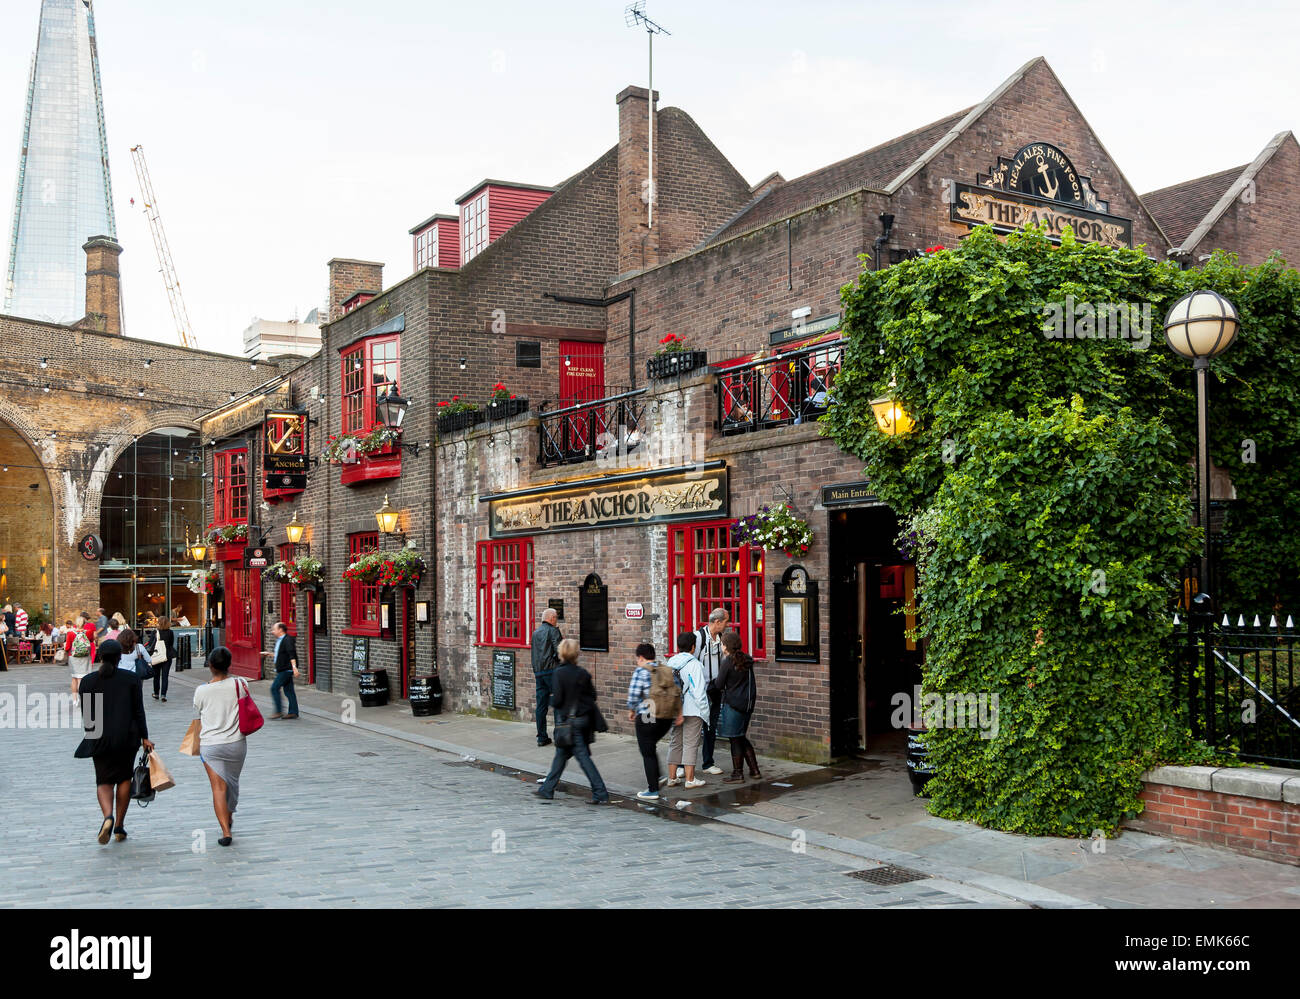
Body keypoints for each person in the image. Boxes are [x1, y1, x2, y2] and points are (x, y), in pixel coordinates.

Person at [74, 639, 153, 844]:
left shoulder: (88, 681)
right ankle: (119, 825)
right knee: (124, 778)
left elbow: (88, 716)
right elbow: (138, 711)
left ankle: (107, 816)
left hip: (99, 736)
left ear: (100, 657)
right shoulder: (131, 679)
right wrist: (144, 736)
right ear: (120, 657)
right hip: (127, 737)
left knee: (103, 780)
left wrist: (94, 736)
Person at [535, 639, 609, 804]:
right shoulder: (582, 673)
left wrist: (551, 700)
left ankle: (600, 792)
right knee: (561, 755)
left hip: (569, 723)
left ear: (561, 653)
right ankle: (547, 789)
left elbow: (559, 699)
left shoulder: (559, 673)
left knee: (583, 758)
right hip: (583, 720)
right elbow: (593, 696)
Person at [192, 646, 248, 847]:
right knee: (232, 782)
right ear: (229, 664)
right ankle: (230, 815)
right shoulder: (240, 684)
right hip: (236, 743)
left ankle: (226, 831)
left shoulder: (201, 691)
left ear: (211, 665)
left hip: (210, 745)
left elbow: (197, 717)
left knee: (218, 788)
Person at [626, 642, 678, 801]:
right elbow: (677, 692)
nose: (637, 662)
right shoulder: (666, 670)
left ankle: (652, 790)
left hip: (648, 717)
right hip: (666, 718)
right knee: (651, 747)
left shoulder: (640, 671)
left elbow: (634, 695)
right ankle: (658, 776)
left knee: (647, 752)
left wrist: (632, 710)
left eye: (637, 659)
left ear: (641, 658)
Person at [714, 630, 761, 782]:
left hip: (733, 705)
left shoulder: (727, 662)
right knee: (740, 736)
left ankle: (737, 773)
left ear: (726, 646)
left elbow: (719, 684)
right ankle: (754, 770)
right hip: (747, 704)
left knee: (735, 738)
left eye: (722, 644)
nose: (721, 646)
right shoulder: (747, 659)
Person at [665, 632, 709, 789]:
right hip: (692, 710)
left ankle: (672, 778)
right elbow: (699, 693)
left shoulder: (671, 661)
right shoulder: (694, 664)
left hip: (675, 709)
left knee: (675, 742)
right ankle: (690, 780)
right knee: (691, 744)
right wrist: (705, 712)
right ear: (693, 647)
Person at [693, 608, 730, 776]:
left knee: (711, 726)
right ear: (717, 622)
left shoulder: (722, 638)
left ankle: (708, 763)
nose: (727, 625)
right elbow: (690, 662)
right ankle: (682, 766)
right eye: (725, 622)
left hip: (715, 689)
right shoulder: (699, 637)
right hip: (700, 690)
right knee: (693, 726)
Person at [529, 607, 562, 747]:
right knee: (558, 703)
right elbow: (560, 651)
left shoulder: (535, 633)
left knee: (541, 706)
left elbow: (534, 654)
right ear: (552, 618)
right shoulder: (553, 631)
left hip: (539, 673)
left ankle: (541, 737)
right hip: (552, 672)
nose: (557, 621)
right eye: (556, 618)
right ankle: (559, 737)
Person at [261, 621, 299, 719]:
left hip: (286, 669)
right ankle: (293, 712)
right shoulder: (280, 640)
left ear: (280, 630)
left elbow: (291, 654)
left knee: (274, 688)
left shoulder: (287, 640)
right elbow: (281, 654)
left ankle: (278, 711)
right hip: (283, 668)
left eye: (274, 629)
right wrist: (269, 654)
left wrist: (294, 668)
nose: (272, 631)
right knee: (289, 691)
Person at [152, 618, 175, 702]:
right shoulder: (170, 632)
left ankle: (156, 693)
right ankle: (163, 695)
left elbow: (151, 644)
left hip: (157, 656)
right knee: (165, 676)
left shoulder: (155, 632)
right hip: (167, 656)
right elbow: (171, 644)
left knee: (156, 676)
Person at [68, 616, 92, 694]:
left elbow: (68, 647)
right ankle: (82, 697)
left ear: (75, 623)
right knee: (83, 678)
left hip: (73, 657)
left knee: (74, 678)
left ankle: (75, 700)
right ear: (84, 623)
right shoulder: (89, 632)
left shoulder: (70, 633)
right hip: (85, 657)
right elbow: (91, 641)